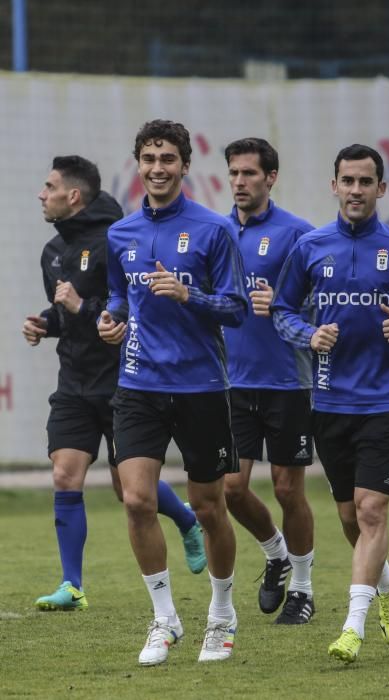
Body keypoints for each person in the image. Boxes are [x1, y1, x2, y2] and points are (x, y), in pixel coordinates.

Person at [271, 143, 389, 663]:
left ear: (381, 188)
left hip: (386, 404)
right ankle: (388, 581)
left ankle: (352, 627)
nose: (355, 190)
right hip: (329, 404)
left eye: (365, 181)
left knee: (373, 510)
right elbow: (283, 311)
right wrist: (308, 335)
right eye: (346, 181)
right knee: (351, 518)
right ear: (334, 186)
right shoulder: (310, 247)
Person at [23, 155, 206, 612]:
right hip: (74, 383)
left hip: (122, 380)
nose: (42, 195)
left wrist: (80, 306)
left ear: (74, 195)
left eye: (49, 187)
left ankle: (186, 520)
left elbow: (125, 308)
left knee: (130, 491)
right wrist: (46, 323)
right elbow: (71, 316)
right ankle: (72, 585)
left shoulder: (116, 241)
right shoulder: (51, 252)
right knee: (65, 474)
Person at [98, 120, 248, 665]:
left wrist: (189, 294)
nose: (157, 168)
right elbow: (118, 295)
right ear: (138, 164)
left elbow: (235, 308)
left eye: (167, 159)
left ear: (185, 166)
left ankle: (222, 614)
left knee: (210, 509)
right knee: (136, 498)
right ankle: (164, 620)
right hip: (138, 383)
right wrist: (110, 320)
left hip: (202, 386)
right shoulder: (120, 234)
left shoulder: (213, 230)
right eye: (148, 158)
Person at [222, 138, 316, 624]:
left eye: (250, 174)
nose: (240, 182)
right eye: (234, 173)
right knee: (232, 490)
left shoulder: (300, 234)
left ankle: (302, 588)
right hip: (231, 383)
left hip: (286, 381)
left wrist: (282, 302)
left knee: (286, 490)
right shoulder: (216, 232)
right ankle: (276, 553)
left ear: (271, 178)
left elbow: (323, 302)